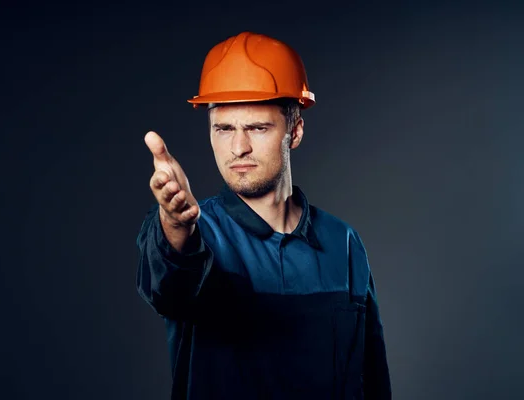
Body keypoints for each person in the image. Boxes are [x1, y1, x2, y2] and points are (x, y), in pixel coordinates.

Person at [136, 31, 391, 400]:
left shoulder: (344, 244)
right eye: (224, 129)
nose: (239, 147)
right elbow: (168, 283)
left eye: (257, 127)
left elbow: (372, 379)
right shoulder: (198, 233)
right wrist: (176, 226)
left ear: (295, 130)